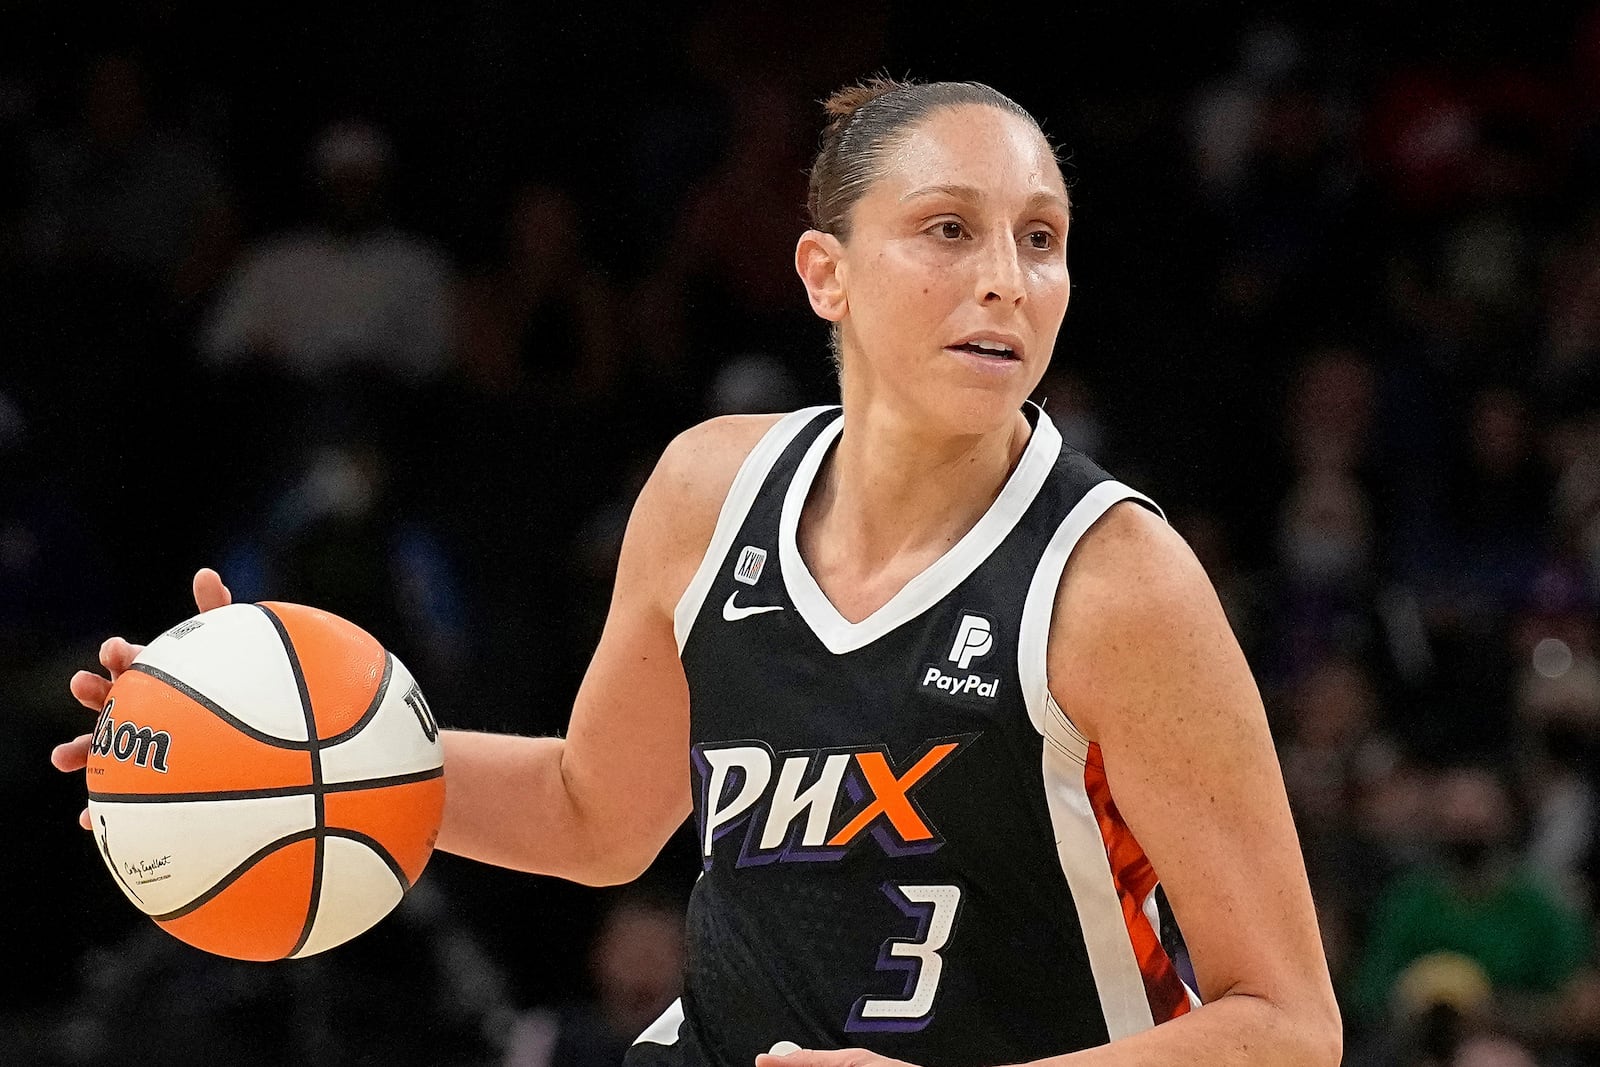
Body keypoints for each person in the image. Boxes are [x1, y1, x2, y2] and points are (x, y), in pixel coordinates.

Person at [54, 77, 1342, 1066]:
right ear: (823, 274)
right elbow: (595, 815)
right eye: (948, 230)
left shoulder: (1116, 583)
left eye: (1042, 239)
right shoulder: (708, 492)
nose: (1007, 281)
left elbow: (1288, 1026)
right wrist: (291, 751)